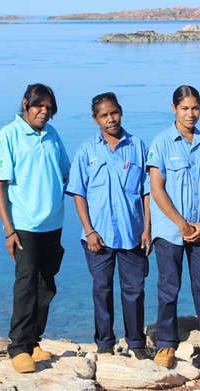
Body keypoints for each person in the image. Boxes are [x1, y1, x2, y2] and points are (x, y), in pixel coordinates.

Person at [65, 92, 153, 360]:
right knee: (101, 290)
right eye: (104, 115)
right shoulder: (87, 150)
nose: (110, 119)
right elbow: (78, 192)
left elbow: (147, 191)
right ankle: (104, 344)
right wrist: (89, 230)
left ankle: (136, 343)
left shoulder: (137, 146)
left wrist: (148, 228)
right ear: (95, 119)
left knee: (134, 291)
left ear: (121, 112)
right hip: (98, 237)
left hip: (132, 234)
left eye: (114, 113)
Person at [0, 84, 70, 373]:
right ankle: (18, 346)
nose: (44, 112)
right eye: (39, 106)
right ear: (26, 103)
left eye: (49, 108)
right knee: (25, 283)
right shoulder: (9, 135)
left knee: (46, 284)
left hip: (54, 222)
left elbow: (66, 172)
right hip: (24, 224)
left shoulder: (52, 134)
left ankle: (34, 340)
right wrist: (9, 230)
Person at [146, 85, 200, 368]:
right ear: (174, 109)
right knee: (169, 288)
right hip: (170, 232)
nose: (191, 114)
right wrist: (181, 223)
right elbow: (157, 190)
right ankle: (166, 344)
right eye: (184, 108)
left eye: (195, 108)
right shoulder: (162, 143)